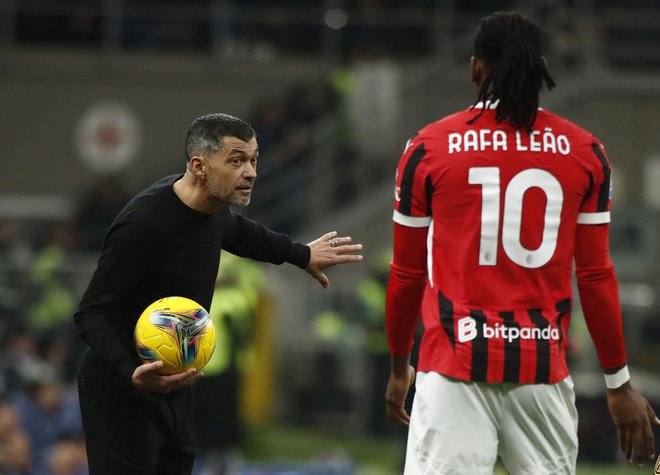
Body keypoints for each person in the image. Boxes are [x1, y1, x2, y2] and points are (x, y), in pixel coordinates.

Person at [384, 11, 659, 475]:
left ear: (476, 68)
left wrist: (398, 368)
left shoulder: (428, 148)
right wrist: (618, 383)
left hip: (454, 367)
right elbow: (594, 276)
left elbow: (407, 273)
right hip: (542, 372)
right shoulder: (586, 151)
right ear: (540, 65)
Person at [73, 112, 363, 474]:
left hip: (176, 381)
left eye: (254, 160)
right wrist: (131, 370)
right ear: (199, 166)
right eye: (237, 160)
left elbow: (240, 232)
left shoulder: (213, 210)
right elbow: (91, 314)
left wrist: (301, 254)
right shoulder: (144, 223)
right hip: (120, 387)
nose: (252, 172)